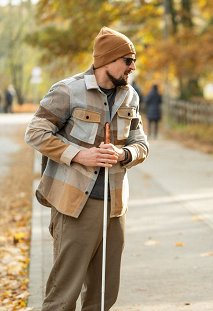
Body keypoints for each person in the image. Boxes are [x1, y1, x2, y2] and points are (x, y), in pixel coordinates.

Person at [25, 26, 148, 311]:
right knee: (63, 295)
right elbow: (36, 133)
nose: (132, 67)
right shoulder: (68, 90)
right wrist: (80, 155)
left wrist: (123, 153)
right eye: (127, 60)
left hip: (115, 206)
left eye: (134, 61)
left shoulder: (131, 97)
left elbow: (140, 142)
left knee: (104, 296)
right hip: (75, 206)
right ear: (107, 59)